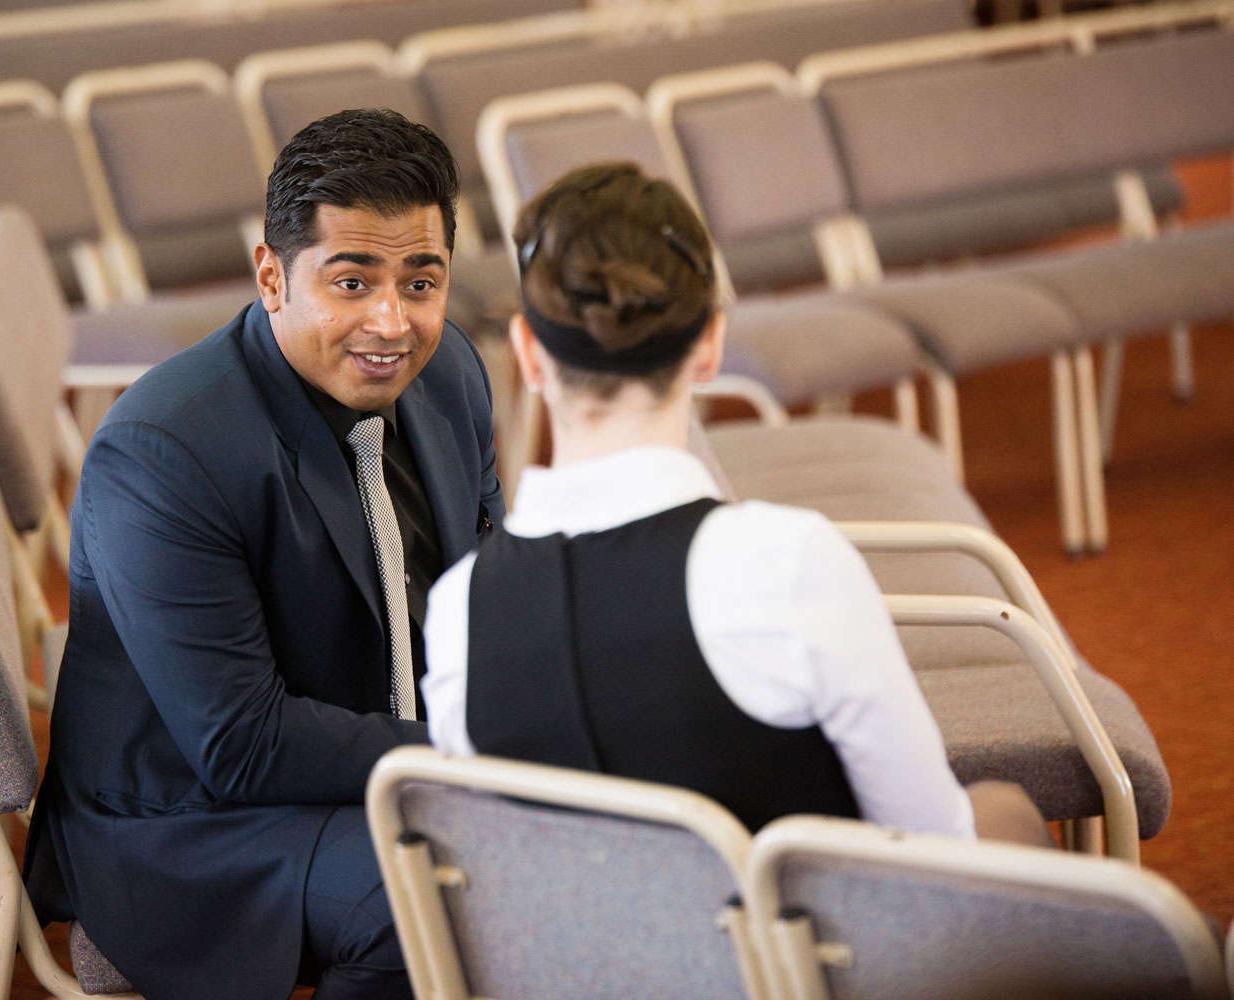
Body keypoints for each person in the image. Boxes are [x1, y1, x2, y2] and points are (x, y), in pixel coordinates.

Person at [423, 162, 1052, 846]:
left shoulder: (459, 613)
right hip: (798, 950)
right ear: (710, 346)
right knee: (1004, 814)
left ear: (529, 355)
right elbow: (932, 844)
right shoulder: (786, 564)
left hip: (580, 955)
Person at [23, 109, 505, 1000]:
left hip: (376, 740)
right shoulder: (164, 450)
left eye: (421, 282)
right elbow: (239, 744)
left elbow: (489, 582)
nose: (391, 322)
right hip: (197, 819)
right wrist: (468, 753)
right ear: (272, 276)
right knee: (426, 897)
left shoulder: (452, 373)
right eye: (352, 282)